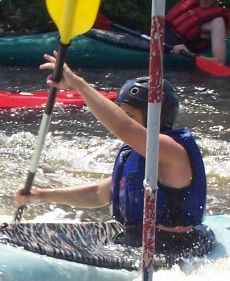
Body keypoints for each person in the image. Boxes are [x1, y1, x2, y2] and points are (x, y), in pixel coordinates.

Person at [14, 53, 214, 260]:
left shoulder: (172, 151)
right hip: (136, 241)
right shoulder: (136, 155)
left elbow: (123, 127)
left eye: (129, 115)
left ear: (158, 118)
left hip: (171, 248)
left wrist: (77, 83)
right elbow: (97, 194)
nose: (121, 118)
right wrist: (41, 195)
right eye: (121, 112)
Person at [165, 0, 230, 65]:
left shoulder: (217, 22)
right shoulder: (193, 5)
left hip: (174, 50)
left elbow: (220, 61)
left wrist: (188, 54)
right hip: (161, 40)